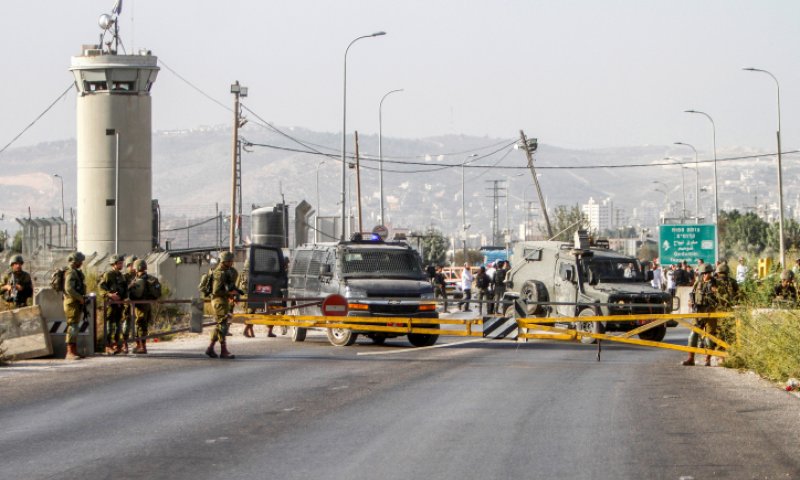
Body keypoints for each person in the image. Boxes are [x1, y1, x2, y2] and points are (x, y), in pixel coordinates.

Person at [206, 251, 241, 359]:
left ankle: (210, 348)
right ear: (224, 261)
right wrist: (229, 294)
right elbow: (216, 291)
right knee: (222, 325)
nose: (231, 262)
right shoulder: (219, 273)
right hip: (218, 301)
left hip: (224, 301)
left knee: (220, 325)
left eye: (232, 261)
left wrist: (234, 295)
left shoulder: (229, 271)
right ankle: (223, 351)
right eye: (229, 261)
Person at [682, 263, 718, 367]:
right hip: (698, 312)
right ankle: (691, 358)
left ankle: (707, 359)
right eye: (704, 273)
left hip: (711, 312)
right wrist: (690, 302)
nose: (707, 275)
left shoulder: (715, 283)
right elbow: (692, 294)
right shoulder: (698, 283)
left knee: (709, 337)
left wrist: (715, 292)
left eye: (708, 273)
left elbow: (720, 297)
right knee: (693, 335)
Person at [127, 259, 162, 354]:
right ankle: (140, 345)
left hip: (140, 306)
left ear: (137, 268)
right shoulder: (150, 278)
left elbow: (136, 294)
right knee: (143, 325)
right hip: (147, 305)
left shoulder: (139, 280)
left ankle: (141, 346)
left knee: (140, 325)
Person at [98, 254, 128, 355]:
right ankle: (108, 346)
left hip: (119, 305)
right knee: (109, 325)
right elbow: (101, 288)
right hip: (110, 305)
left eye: (122, 263)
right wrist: (110, 295)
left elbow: (125, 289)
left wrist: (124, 298)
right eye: (119, 263)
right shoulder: (108, 275)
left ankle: (117, 345)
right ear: (114, 264)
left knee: (118, 325)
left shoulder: (121, 276)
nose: (121, 265)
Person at [63, 252, 87, 360]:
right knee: (72, 326)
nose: (81, 263)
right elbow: (68, 288)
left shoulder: (75, 272)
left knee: (75, 326)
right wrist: (80, 297)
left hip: (75, 301)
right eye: (80, 261)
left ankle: (74, 350)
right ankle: (70, 352)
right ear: (75, 261)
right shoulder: (71, 273)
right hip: (72, 302)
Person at [120, 255, 138, 354]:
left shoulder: (138, 275)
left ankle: (138, 343)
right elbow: (122, 290)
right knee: (126, 323)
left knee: (138, 323)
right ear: (129, 265)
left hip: (137, 303)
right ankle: (124, 344)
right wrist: (130, 285)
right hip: (127, 303)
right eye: (134, 264)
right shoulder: (124, 277)